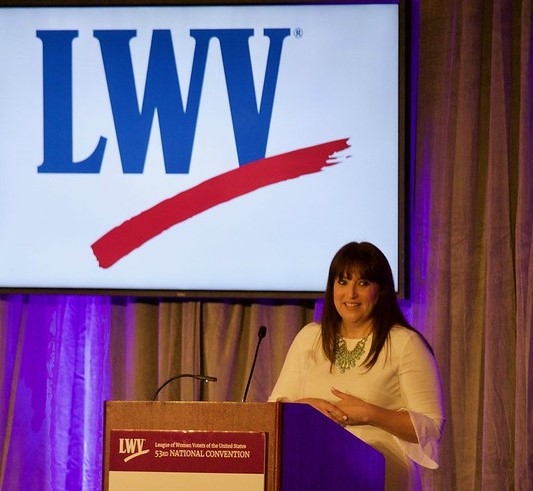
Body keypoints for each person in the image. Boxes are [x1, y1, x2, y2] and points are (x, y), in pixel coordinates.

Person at [268, 241, 445, 490]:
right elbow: (272, 411)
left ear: (380, 290)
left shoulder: (405, 343)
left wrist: (370, 413)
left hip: (381, 476)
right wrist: (304, 408)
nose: (350, 294)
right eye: (342, 282)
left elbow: (431, 427)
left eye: (362, 283)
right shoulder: (309, 338)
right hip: (312, 472)